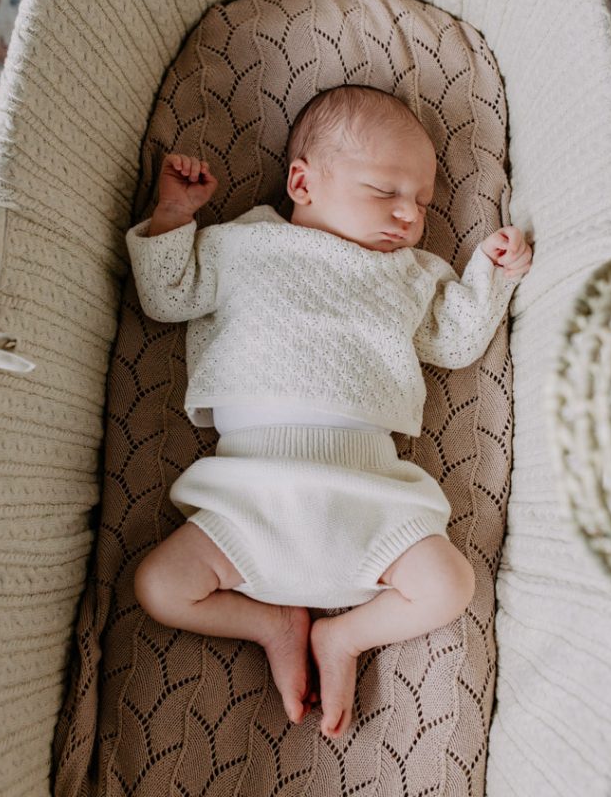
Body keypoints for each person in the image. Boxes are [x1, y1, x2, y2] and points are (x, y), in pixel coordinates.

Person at [125, 85, 532, 739]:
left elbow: (453, 343)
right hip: (249, 497)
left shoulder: (407, 273)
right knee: (159, 586)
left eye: (423, 203)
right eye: (384, 191)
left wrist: (490, 274)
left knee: (449, 585)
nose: (407, 214)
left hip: (369, 496)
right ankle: (269, 623)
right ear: (301, 182)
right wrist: (173, 212)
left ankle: (344, 637)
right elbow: (167, 298)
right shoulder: (241, 244)